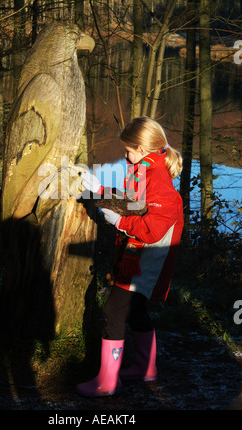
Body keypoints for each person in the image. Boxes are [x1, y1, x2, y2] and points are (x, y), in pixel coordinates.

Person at [77, 116, 184, 398]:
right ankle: (144, 368)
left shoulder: (157, 177)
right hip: (142, 258)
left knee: (114, 312)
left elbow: (152, 228)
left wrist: (120, 223)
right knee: (135, 310)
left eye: (127, 150)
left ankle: (107, 382)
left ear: (140, 148)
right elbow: (134, 203)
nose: (125, 156)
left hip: (144, 261)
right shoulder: (148, 168)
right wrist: (100, 192)